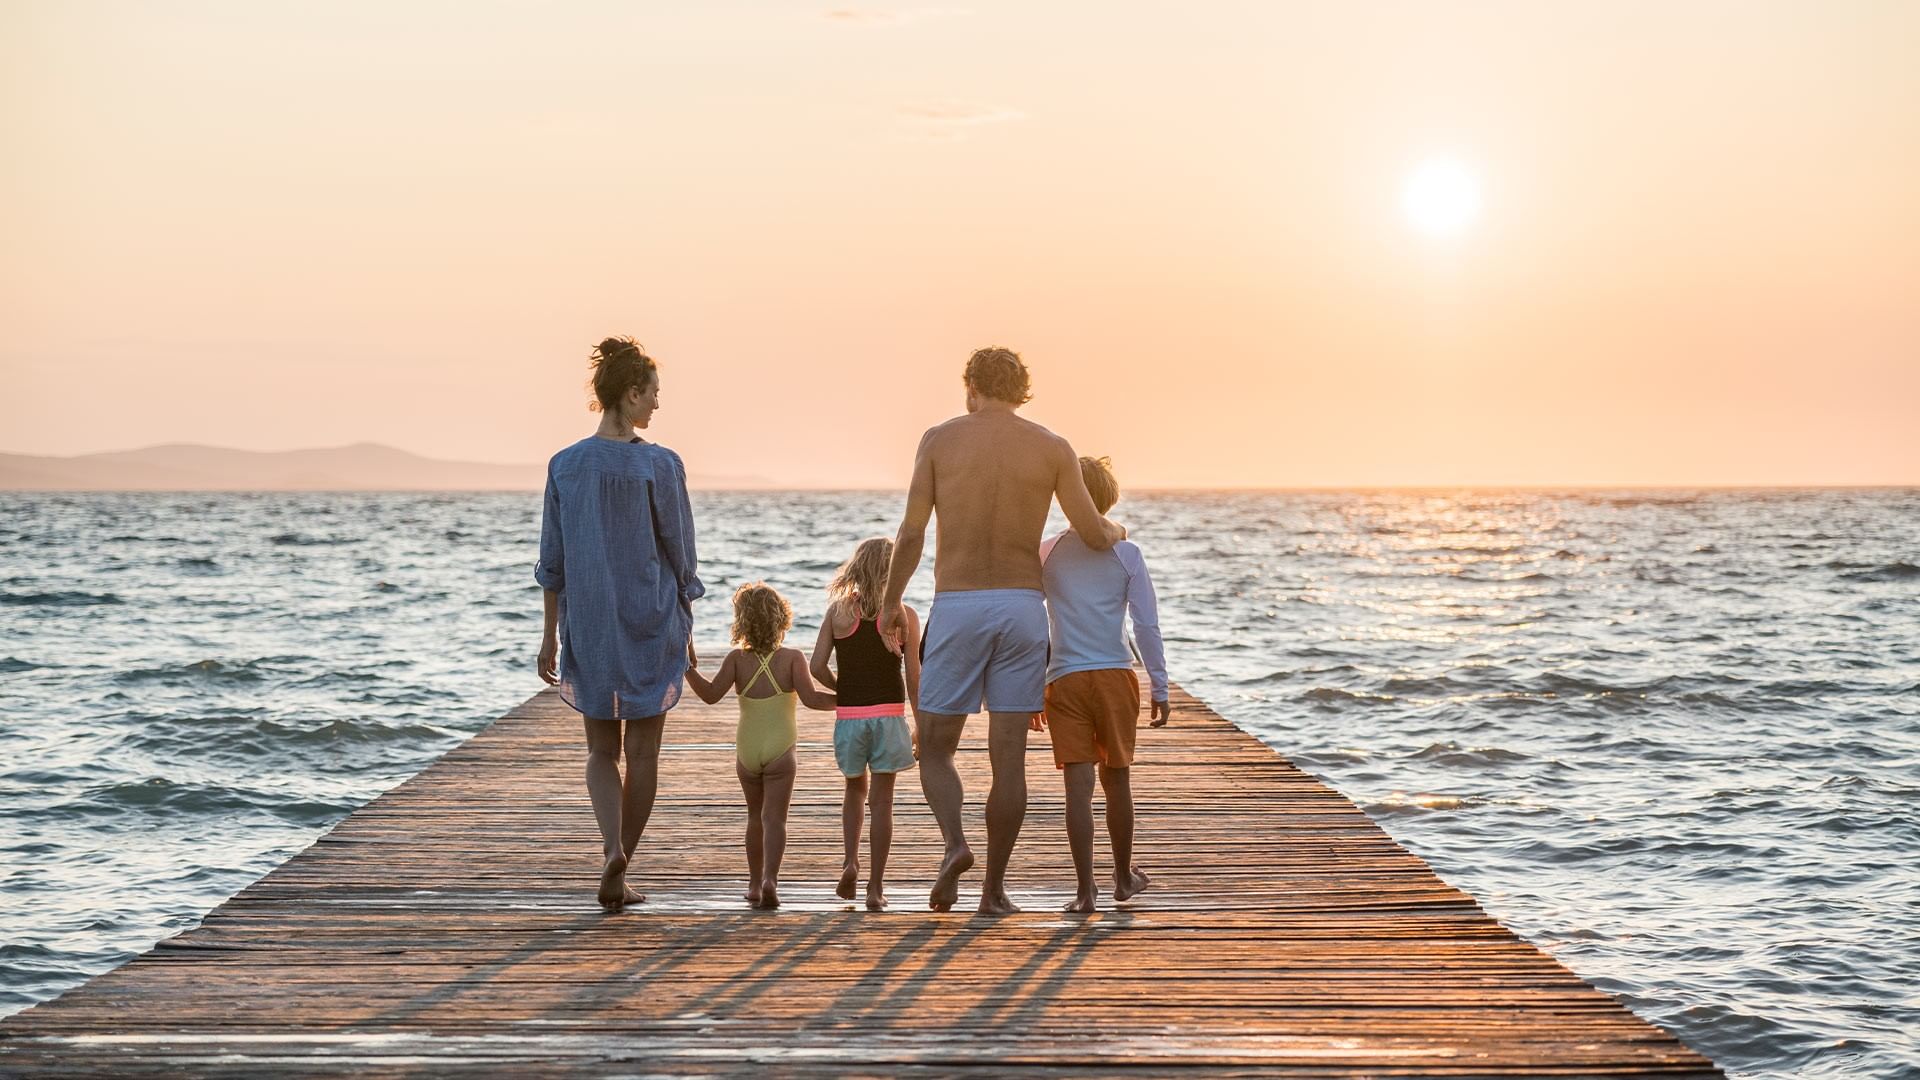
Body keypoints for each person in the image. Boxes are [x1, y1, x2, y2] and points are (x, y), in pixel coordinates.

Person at [879, 346, 1125, 914]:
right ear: (1022, 391)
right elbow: (1089, 532)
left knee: (936, 748)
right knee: (1008, 757)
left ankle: (954, 842)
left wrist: (891, 601)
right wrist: (1115, 530)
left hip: (959, 603)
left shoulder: (939, 440)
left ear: (972, 388)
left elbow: (911, 534)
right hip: (1021, 606)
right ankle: (992, 892)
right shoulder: (1053, 447)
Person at [536, 336, 704, 910]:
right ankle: (624, 861)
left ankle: (610, 847)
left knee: (600, 749)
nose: (657, 405)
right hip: (651, 618)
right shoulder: (659, 464)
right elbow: (680, 555)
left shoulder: (565, 465)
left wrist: (548, 636)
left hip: (590, 623)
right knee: (646, 752)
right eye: (654, 394)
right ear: (631, 393)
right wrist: (687, 626)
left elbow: (552, 562)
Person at [1038, 456, 1170, 913]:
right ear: (1109, 497)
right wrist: (1160, 685)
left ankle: (1083, 890)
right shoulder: (1127, 553)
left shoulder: (1047, 552)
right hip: (1115, 674)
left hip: (1065, 678)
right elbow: (1146, 625)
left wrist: (1036, 681)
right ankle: (1122, 876)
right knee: (1117, 780)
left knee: (1077, 788)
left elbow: (1035, 623)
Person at [685, 582, 836, 910]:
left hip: (747, 750)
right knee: (775, 819)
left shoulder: (737, 661)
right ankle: (771, 879)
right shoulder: (793, 658)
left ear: (743, 622)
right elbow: (812, 700)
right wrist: (847, 701)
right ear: (781, 619)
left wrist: (686, 667)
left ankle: (754, 885)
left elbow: (710, 695)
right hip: (782, 750)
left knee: (755, 816)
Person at [810, 537, 920, 912]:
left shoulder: (839, 613)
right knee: (883, 803)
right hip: (889, 716)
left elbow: (815, 668)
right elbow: (914, 674)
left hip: (850, 718)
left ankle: (850, 861)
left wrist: (843, 688)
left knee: (854, 792)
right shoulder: (905, 615)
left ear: (857, 568)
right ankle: (875, 887)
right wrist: (919, 722)